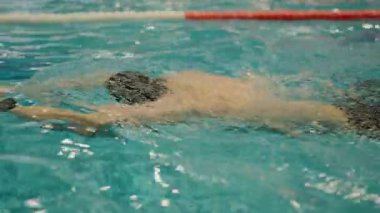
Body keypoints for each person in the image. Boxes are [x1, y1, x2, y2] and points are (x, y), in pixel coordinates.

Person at [0, 70, 378, 137]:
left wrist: (14, 107)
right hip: (316, 97)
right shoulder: (186, 77)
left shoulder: (172, 108)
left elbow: (94, 121)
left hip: (328, 118)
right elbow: (104, 75)